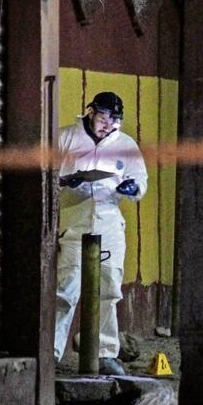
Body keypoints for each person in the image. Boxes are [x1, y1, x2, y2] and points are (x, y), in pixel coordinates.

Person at [54, 91, 148, 375]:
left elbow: (140, 179)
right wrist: (64, 181)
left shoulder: (126, 144)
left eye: (115, 119)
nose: (109, 125)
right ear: (92, 112)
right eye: (104, 117)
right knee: (66, 289)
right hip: (74, 221)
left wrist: (133, 188)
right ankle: (52, 353)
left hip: (109, 222)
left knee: (109, 289)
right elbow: (44, 175)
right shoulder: (65, 138)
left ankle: (105, 353)